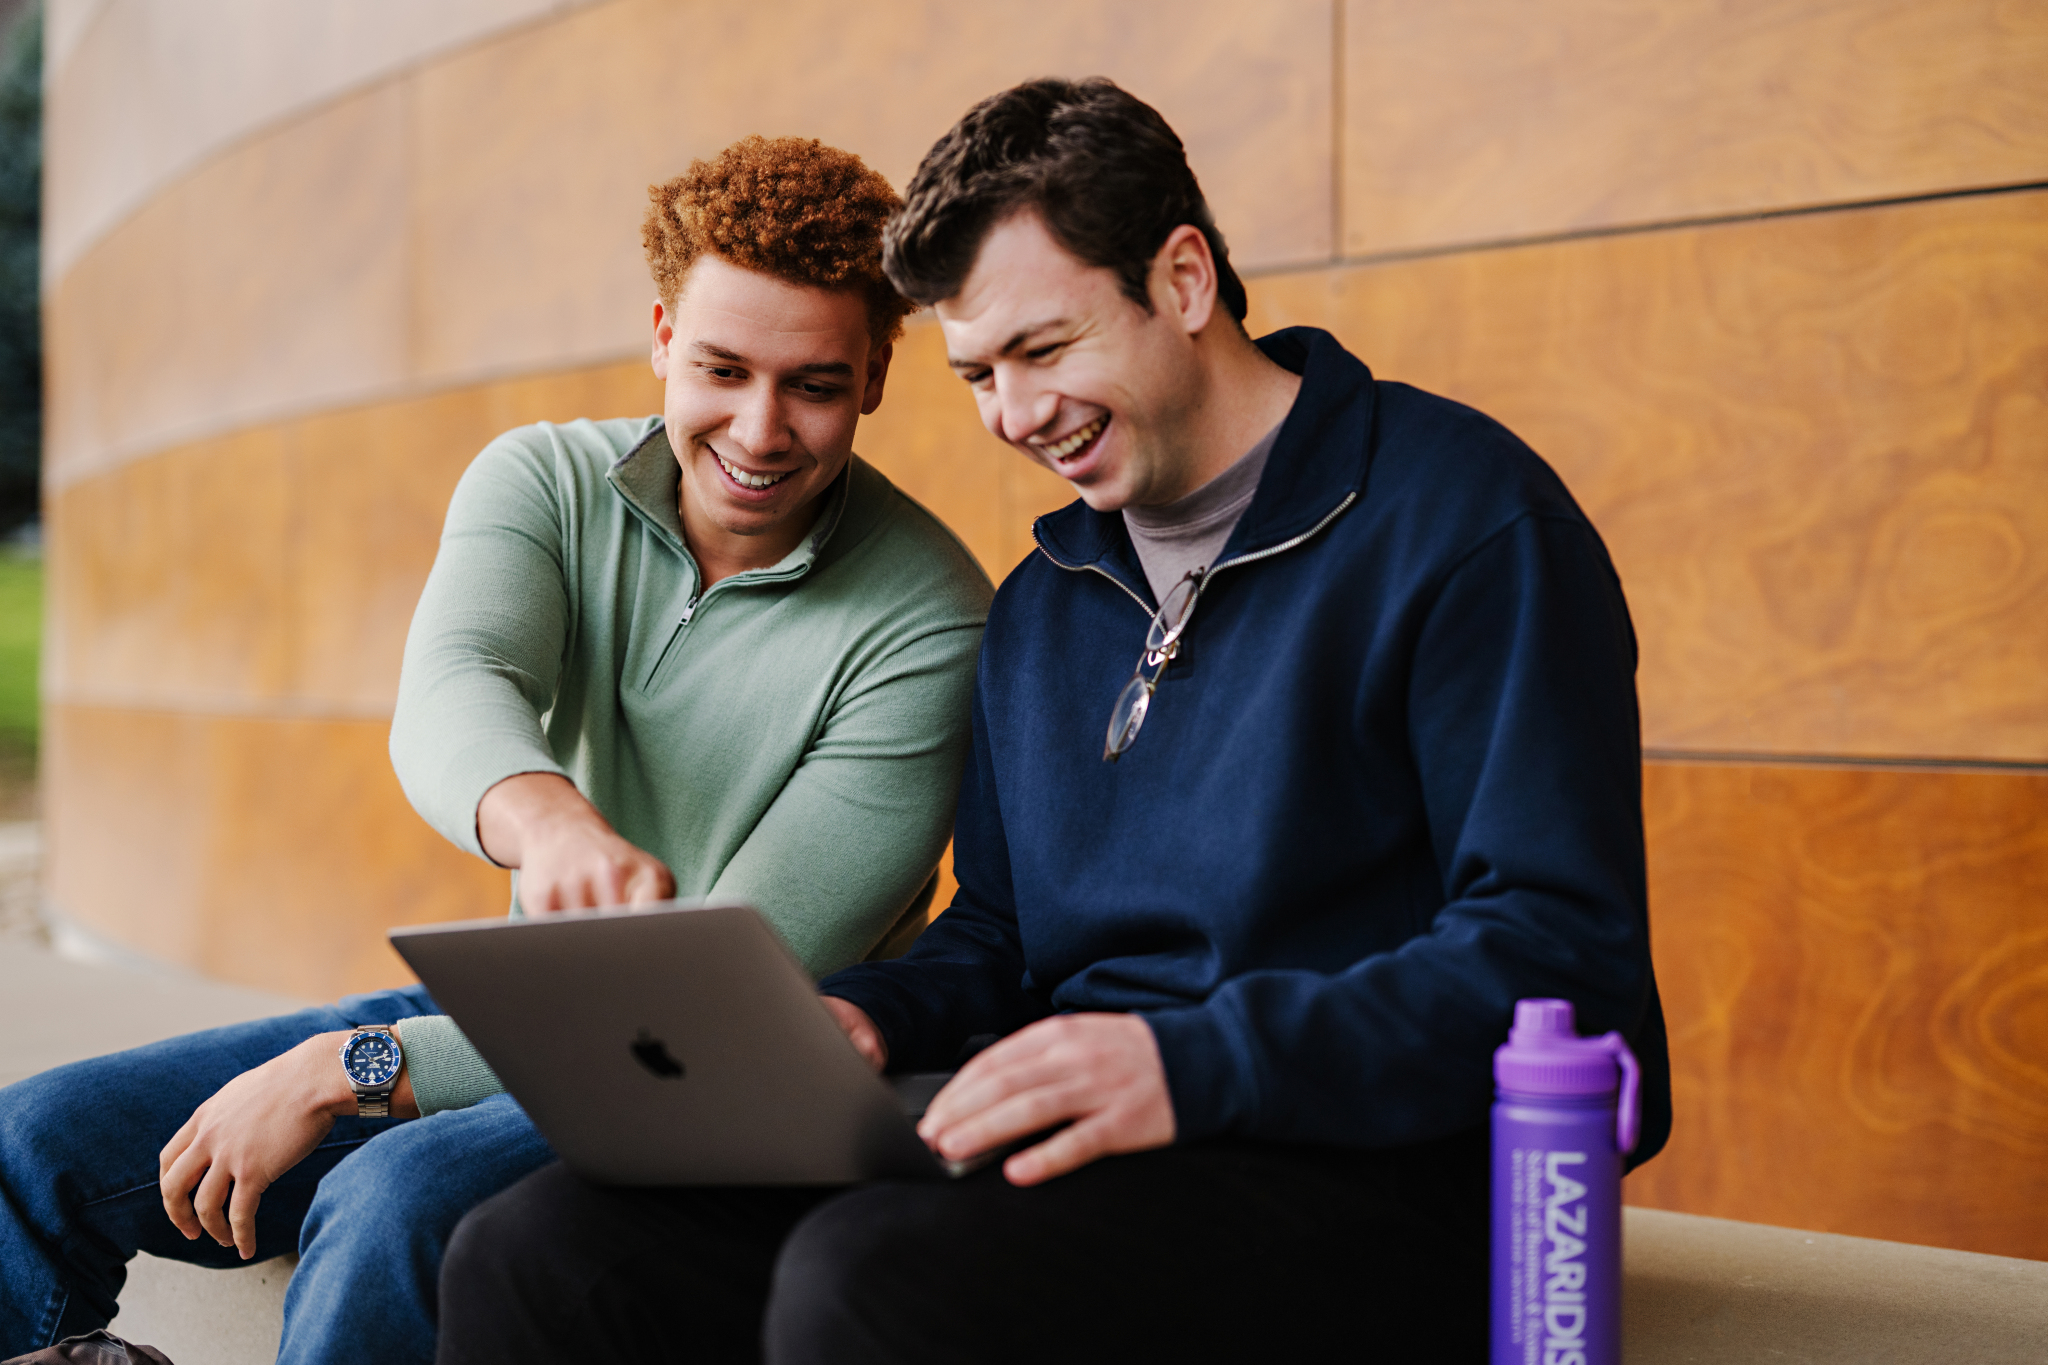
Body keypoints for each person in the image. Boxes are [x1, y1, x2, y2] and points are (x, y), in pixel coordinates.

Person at [434, 78, 1673, 1365]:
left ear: (1182, 279)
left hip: (1368, 1170)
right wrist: (867, 1019)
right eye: (977, 372)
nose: (1017, 417)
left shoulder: (1466, 527)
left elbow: (1559, 965)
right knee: (546, 1251)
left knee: (871, 1283)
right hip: (1083, 1139)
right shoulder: (1046, 600)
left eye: (1045, 350)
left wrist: (1187, 1064)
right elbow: (999, 935)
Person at [0, 136, 992, 1365]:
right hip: (517, 1009)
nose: (760, 428)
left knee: (391, 1203)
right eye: (722, 368)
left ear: (876, 378)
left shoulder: (934, 616)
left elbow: (705, 1008)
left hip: (718, 1083)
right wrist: (547, 821)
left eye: (815, 385)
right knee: (34, 1138)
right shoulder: (544, 480)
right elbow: (454, 688)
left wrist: (348, 1068)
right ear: (660, 336)